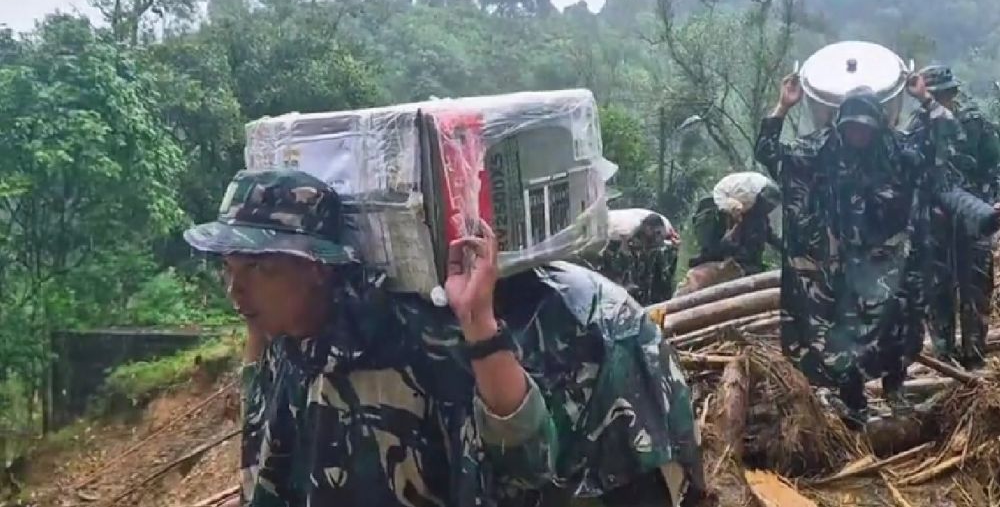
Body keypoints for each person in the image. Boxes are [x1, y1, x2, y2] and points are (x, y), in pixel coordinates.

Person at [185, 169, 704, 507]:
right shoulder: (294, 342)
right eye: (228, 269)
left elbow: (522, 469)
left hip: (613, 440)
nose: (236, 289)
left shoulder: (406, 344)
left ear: (318, 268)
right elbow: (265, 450)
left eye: (257, 269)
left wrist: (478, 321)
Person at [754, 73, 998, 425]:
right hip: (841, 265)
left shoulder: (897, 150)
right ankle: (853, 402)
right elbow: (769, 153)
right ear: (842, 124)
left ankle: (895, 389)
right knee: (843, 336)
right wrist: (783, 106)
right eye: (853, 127)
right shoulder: (822, 148)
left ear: (879, 124)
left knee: (900, 327)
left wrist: (926, 100)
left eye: (866, 127)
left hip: (893, 262)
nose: (859, 134)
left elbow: (947, 139)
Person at [907, 65, 999, 369]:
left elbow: (994, 162)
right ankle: (944, 356)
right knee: (937, 287)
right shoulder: (918, 126)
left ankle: (974, 355)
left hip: (975, 215)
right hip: (933, 220)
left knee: (975, 284)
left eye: (942, 94)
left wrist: (993, 202)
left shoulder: (974, 123)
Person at [679, 183, 780, 295]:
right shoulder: (739, 215)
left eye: (771, 205)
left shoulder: (761, 220)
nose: (769, 207)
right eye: (767, 203)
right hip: (734, 265)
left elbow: (771, 237)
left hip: (749, 267)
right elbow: (724, 245)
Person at [590, 209, 680, 304]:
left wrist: (674, 249)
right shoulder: (625, 238)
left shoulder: (664, 239)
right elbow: (621, 261)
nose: (657, 238)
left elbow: (667, 270)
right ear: (647, 230)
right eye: (655, 234)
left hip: (654, 298)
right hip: (603, 231)